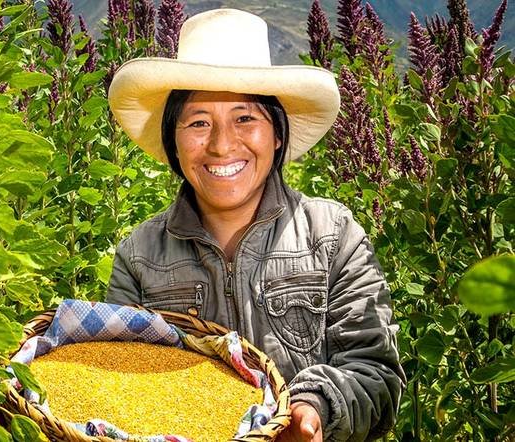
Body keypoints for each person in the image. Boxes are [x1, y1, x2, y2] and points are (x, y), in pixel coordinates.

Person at [105, 9, 404, 442]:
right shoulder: (138, 256)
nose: (222, 145)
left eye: (245, 118)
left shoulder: (333, 235)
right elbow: (119, 380)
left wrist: (314, 407)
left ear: (277, 134)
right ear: (173, 138)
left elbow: (376, 375)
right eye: (198, 122)